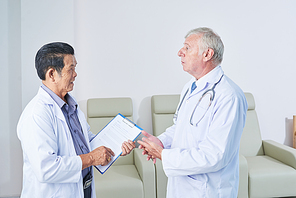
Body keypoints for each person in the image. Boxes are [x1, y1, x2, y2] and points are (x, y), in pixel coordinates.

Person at [138, 27, 248, 198]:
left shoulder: (229, 96)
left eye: (187, 48)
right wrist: (161, 142)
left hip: (208, 190)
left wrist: (164, 155)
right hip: (182, 185)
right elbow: (180, 127)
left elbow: (215, 155)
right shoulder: (191, 86)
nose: (180, 52)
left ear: (207, 54)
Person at [17, 42, 136, 198]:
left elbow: (87, 143)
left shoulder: (71, 106)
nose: (75, 74)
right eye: (70, 69)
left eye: (75, 68)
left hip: (82, 189)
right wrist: (93, 158)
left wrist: (114, 148)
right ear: (52, 74)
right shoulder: (36, 114)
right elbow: (46, 169)